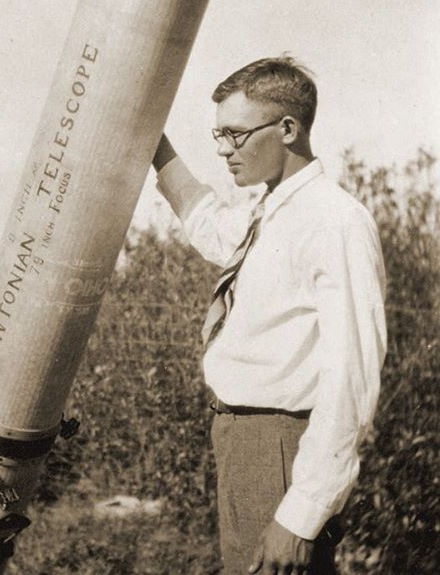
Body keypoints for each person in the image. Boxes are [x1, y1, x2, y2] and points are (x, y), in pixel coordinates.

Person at [152, 57, 387, 575]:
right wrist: (151, 140)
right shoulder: (272, 209)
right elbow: (212, 225)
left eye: (234, 135)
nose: (221, 149)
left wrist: (301, 516)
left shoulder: (335, 221)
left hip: (281, 448)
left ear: (288, 129)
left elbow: (351, 378)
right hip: (241, 440)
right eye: (217, 134)